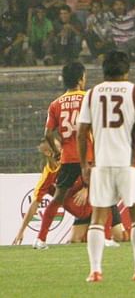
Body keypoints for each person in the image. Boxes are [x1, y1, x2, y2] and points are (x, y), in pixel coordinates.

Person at [77, 50, 135, 282]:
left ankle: (95, 271)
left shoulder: (92, 94)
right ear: (127, 70)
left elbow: (81, 133)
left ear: (103, 70)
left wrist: (85, 163)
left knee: (98, 218)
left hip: (101, 164)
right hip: (130, 164)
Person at [33, 62, 94, 250]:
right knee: (104, 196)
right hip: (89, 157)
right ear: (80, 78)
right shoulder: (90, 99)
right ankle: (106, 237)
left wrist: (58, 152)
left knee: (58, 198)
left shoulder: (56, 104)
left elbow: (48, 134)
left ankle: (41, 239)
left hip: (68, 158)